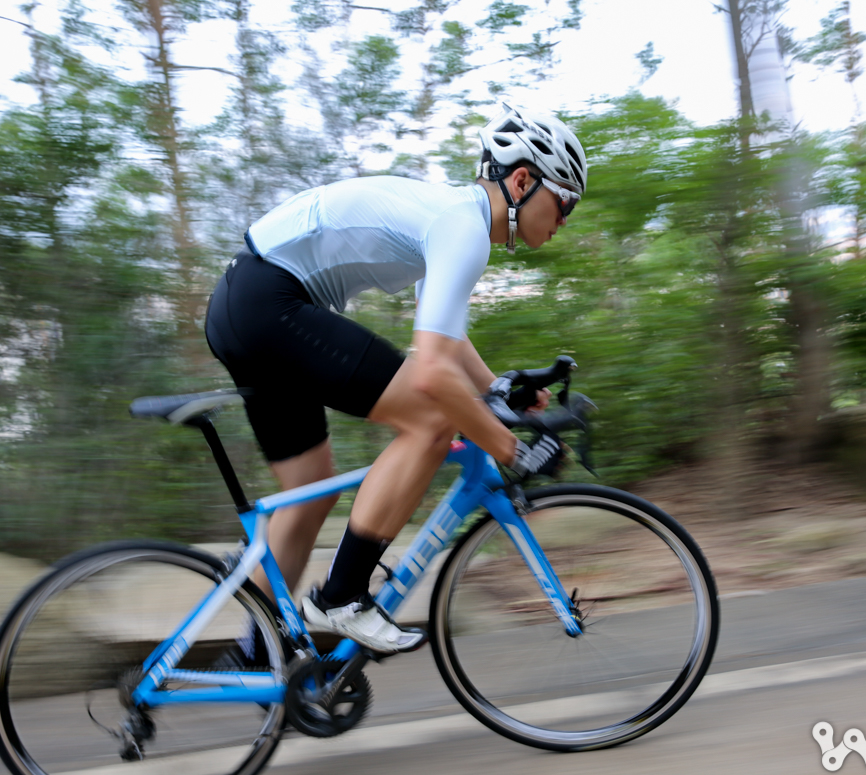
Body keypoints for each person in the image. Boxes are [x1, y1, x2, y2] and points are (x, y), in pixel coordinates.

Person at [204, 102, 587, 657]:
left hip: (246, 304)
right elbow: (432, 374)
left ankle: (257, 656)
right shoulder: (464, 228)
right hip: (271, 305)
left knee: (309, 488)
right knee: (433, 420)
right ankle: (340, 598)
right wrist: (509, 449)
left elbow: (445, 339)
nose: (565, 220)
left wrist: (497, 388)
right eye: (564, 202)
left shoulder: (450, 215)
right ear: (523, 180)